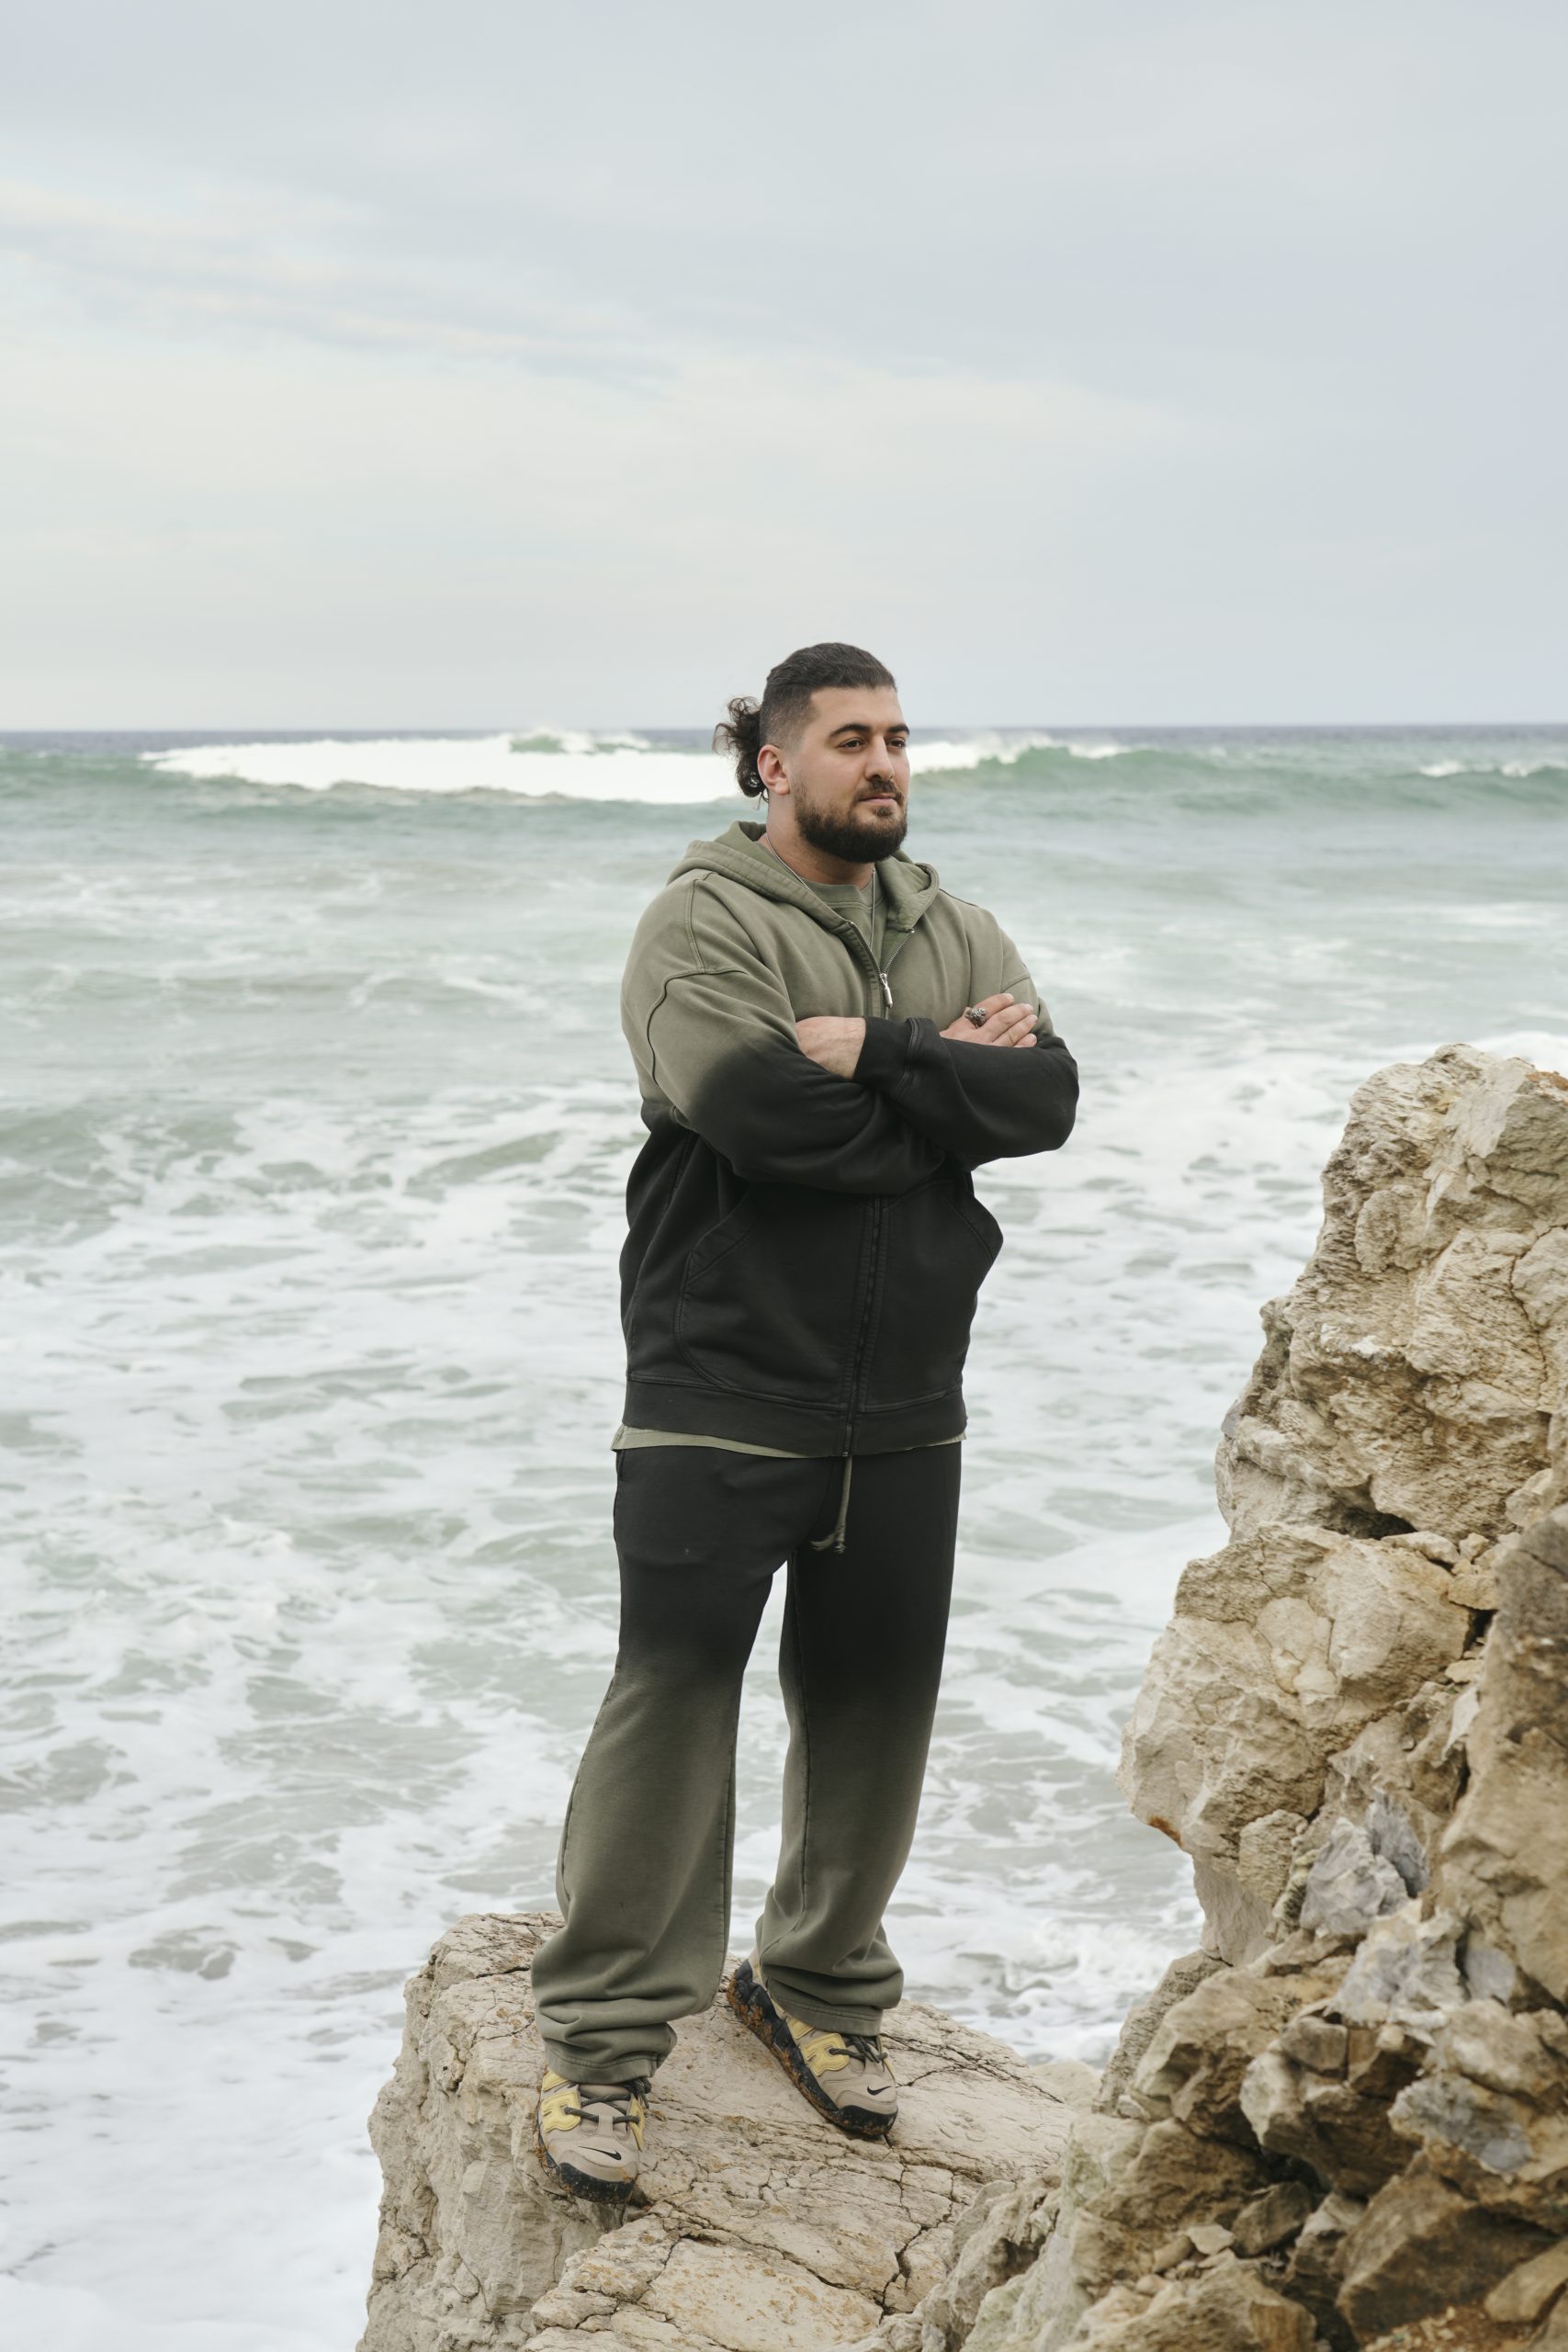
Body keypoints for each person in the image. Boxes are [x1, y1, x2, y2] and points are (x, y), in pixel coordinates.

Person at [530, 642, 1078, 2199]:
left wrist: (886, 1052)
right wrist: (945, 1097)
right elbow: (762, 1119)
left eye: (898, 736)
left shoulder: (955, 927)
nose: (884, 762)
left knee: (874, 1710)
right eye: (850, 739)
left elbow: (1044, 1103)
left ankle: (819, 1989)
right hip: (721, 1381)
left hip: (907, 1396)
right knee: (672, 1706)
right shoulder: (703, 924)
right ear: (773, 764)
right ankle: (603, 2045)